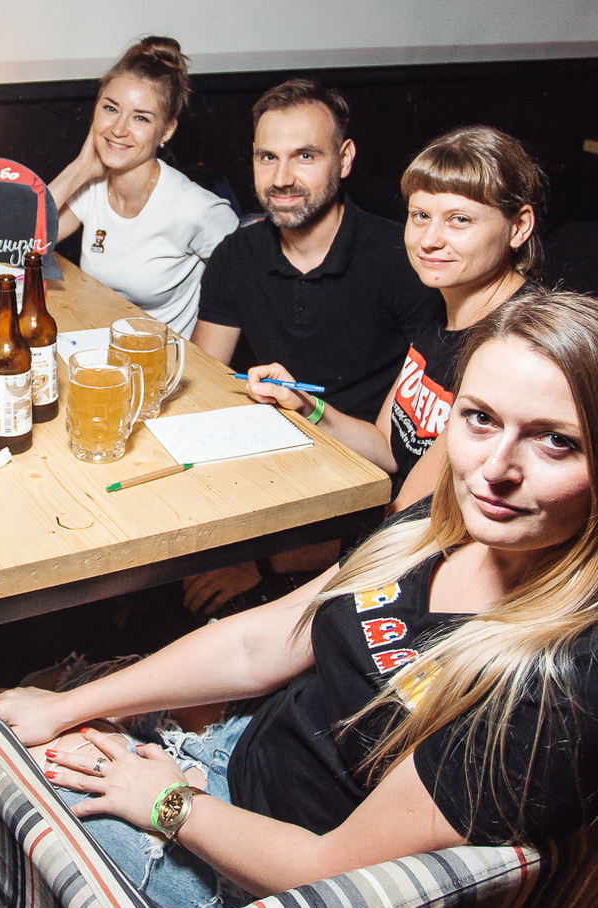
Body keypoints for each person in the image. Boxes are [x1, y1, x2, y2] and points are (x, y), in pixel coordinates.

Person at [0, 289, 598, 908]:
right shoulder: (443, 528)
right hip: (237, 756)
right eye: (480, 419)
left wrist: (167, 802)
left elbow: (330, 872)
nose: (495, 469)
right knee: (15, 704)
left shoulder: (573, 680)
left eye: (556, 440)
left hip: (254, 885)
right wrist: (67, 708)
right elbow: (261, 644)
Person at [181, 81, 440, 616]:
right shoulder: (236, 256)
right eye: (267, 157)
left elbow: (414, 475)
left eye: (304, 156)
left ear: (344, 159)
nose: (281, 178)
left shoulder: (404, 260)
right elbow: (202, 383)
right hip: (270, 477)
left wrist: (263, 560)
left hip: (360, 500)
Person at [245, 124, 544, 512]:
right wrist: (304, 404)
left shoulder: (515, 347)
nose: (429, 240)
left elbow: (417, 510)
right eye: (420, 216)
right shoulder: (443, 308)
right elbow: (388, 446)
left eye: (459, 220)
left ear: (519, 227)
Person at [49, 36, 238, 336]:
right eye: (110, 109)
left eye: (140, 118)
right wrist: (79, 168)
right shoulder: (92, 186)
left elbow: (244, 294)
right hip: (96, 346)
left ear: (167, 131)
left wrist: (201, 361)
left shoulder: (194, 208)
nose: (118, 129)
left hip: (160, 360)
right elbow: (19, 244)